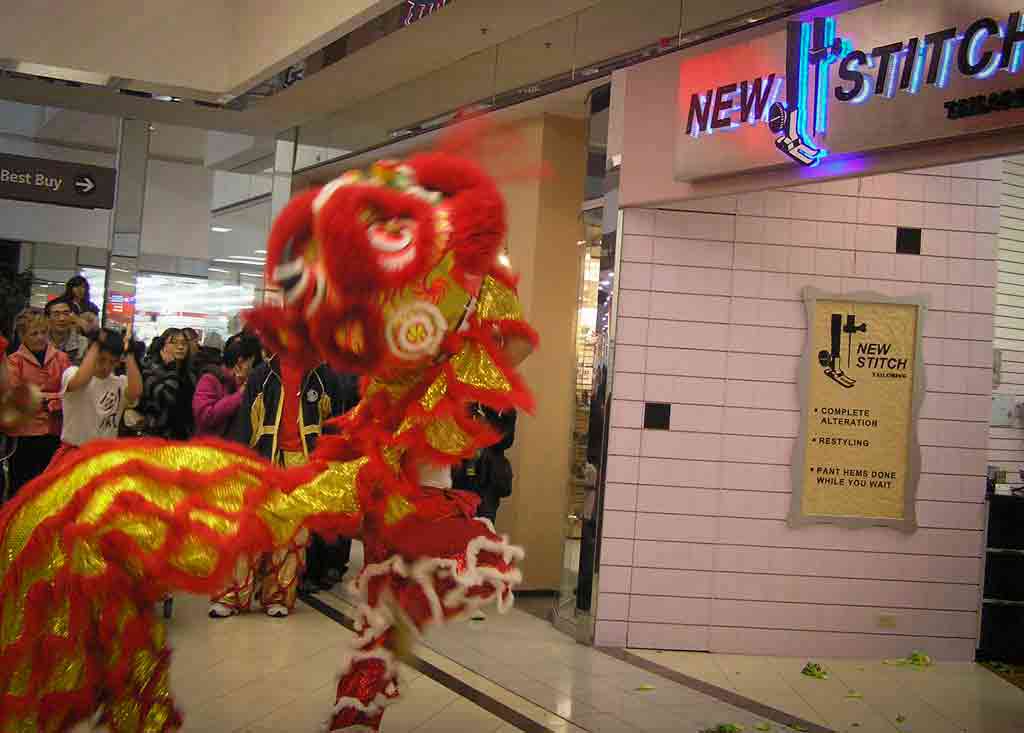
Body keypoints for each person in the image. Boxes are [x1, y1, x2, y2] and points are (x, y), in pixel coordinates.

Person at [213, 353, 357, 618]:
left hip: (303, 464)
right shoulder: (262, 374)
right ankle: (233, 595)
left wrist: (330, 465)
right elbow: (246, 423)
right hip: (264, 460)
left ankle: (278, 595)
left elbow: (335, 425)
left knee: (292, 536)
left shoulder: (325, 377)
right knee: (249, 530)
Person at [50, 327, 142, 468]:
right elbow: (79, 381)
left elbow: (136, 392)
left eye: (112, 362)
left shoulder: (119, 382)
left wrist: (129, 354)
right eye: (101, 360)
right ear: (90, 353)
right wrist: (96, 344)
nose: (106, 367)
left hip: (105, 456)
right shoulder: (72, 373)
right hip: (75, 453)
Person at [4, 308, 70, 493]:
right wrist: (53, 399)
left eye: (43, 332)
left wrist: (44, 400)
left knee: (50, 490)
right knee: (21, 489)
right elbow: (17, 397)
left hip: (54, 433)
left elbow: (70, 394)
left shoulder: (62, 358)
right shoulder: (13, 362)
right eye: (34, 333)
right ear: (22, 335)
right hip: (24, 436)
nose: (41, 337)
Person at [193, 332, 261, 438]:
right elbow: (206, 417)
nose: (253, 369)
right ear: (240, 362)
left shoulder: (244, 382)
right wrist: (239, 394)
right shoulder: (209, 379)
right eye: (251, 364)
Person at [138, 327, 195, 440]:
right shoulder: (149, 369)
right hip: (156, 436)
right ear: (162, 346)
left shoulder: (189, 374)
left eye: (184, 343)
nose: (180, 347)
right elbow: (166, 396)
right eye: (174, 342)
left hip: (182, 438)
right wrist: (171, 367)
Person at [45, 297, 89, 365]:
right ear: (48, 318)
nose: (62, 319)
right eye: (56, 314)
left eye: (66, 313)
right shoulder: (40, 342)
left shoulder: (83, 343)